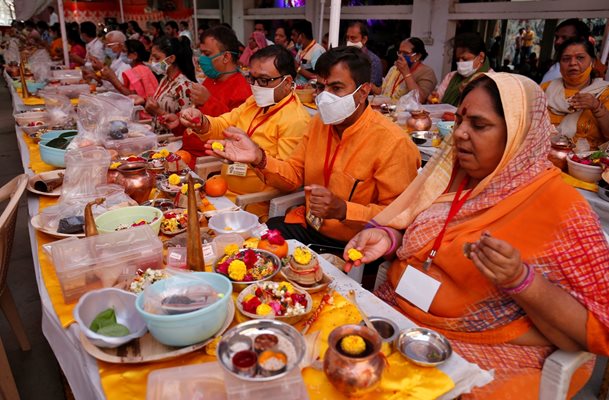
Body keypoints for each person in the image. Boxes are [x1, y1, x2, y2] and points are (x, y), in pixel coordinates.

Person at [344, 73, 609, 399]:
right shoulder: (453, 174)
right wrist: (390, 238)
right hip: (398, 316)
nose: (459, 134)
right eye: (459, 121)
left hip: (488, 345)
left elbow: (594, 328)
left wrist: (521, 280)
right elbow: (421, 233)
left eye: (479, 126)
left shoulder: (562, 208)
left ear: (518, 135)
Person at [199, 46, 421, 246]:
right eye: (320, 87)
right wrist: (260, 158)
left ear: (363, 92)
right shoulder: (319, 123)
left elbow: (398, 216)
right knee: (243, 246)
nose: (325, 97)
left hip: (353, 242)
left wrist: (345, 210)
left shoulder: (394, 144)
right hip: (308, 225)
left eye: (336, 88)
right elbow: (294, 175)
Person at [178, 45, 310, 215]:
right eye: (252, 78)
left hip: (252, 205)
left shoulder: (295, 120)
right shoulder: (253, 102)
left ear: (288, 82)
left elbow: (289, 180)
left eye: (264, 80)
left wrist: (259, 159)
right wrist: (201, 121)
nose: (255, 86)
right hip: (222, 194)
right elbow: (224, 124)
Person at [162, 25, 252, 167]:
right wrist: (179, 122)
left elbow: (236, 131)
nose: (201, 59)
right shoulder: (210, 81)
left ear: (226, 57)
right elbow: (197, 119)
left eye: (207, 54)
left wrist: (208, 101)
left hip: (206, 161)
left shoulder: (242, 89)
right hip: (185, 152)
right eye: (201, 53)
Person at [542, 38, 609, 150]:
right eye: (566, 59)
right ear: (560, 63)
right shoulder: (544, 89)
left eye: (580, 58)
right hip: (544, 158)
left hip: (588, 163)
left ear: (592, 62)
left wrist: (597, 107)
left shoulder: (605, 92)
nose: (572, 63)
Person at [145, 36, 196, 135]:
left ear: (171, 58)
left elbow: (187, 125)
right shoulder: (165, 79)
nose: (152, 62)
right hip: (159, 136)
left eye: (157, 58)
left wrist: (158, 111)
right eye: (152, 58)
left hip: (172, 140)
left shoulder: (184, 86)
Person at [429, 32, 492, 106]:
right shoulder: (451, 76)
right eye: (458, 59)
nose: (460, 63)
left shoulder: (492, 80)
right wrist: (434, 99)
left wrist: (466, 95)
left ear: (481, 57)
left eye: (465, 59)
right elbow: (438, 98)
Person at [372, 37, 437, 102]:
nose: (400, 56)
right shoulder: (394, 69)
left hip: (405, 111)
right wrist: (370, 86)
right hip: (386, 109)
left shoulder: (427, 72)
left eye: (405, 53)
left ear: (418, 56)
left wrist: (406, 73)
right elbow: (383, 92)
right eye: (399, 52)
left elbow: (420, 99)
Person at [541, 19, 590, 84]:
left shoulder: (582, 71)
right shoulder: (557, 66)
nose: (558, 42)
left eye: (564, 38)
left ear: (581, 40)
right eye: (557, 37)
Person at [344, 21, 382, 88]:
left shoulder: (373, 60)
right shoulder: (343, 57)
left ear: (364, 39)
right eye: (347, 38)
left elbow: (374, 88)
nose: (349, 41)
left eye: (353, 38)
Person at [293, 20, 325, 86]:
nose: (292, 37)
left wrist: (298, 68)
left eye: (294, 35)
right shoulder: (301, 49)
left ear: (302, 36)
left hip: (310, 92)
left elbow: (318, 77)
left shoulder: (317, 51)